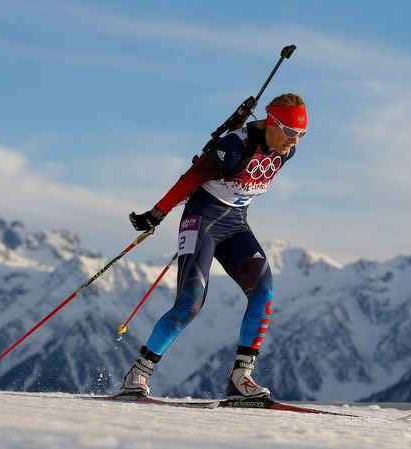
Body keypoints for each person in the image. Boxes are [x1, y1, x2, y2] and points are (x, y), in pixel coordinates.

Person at [118, 93, 307, 400]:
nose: (294, 141)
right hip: (201, 221)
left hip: (236, 224)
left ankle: (240, 378)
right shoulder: (233, 148)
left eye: (301, 135)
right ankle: (138, 373)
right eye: (288, 131)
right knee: (189, 303)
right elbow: (189, 180)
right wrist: (155, 215)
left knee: (264, 292)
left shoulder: (286, 151)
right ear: (272, 122)